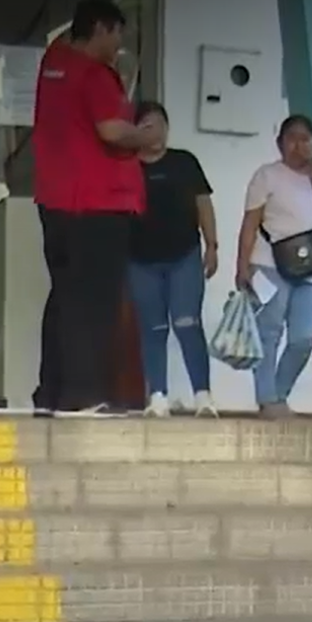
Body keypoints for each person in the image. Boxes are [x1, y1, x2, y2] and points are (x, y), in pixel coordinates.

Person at [30, 0, 164, 417]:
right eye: (117, 33)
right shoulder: (93, 74)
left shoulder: (54, 63)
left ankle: (50, 394)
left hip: (56, 201)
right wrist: (147, 135)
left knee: (65, 298)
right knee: (95, 301)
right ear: (102, 29)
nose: (119, 43)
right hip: (96, 204)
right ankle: (83, 396)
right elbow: (110, 130)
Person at [235, 115, 312, 418]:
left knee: (303, 338)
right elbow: (250, 224)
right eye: (291, 138)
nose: (298, 144)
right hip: (268, 264)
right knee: (269, 332)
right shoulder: (267, 175)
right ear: (280, 144)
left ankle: (278, 392)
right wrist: (242, 267)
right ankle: (268, 400)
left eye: (305, 138)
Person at [126, 101, 218, 418]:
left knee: (187, 323)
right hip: (139, 260)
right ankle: (158, 397)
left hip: (185, 256)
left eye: (161, 124)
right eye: (149, 125)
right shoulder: (125, 167)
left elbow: (203, 204)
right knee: (153, 328)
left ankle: (203, 397)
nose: (157, 131)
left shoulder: (184, 162)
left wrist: (212, 245)